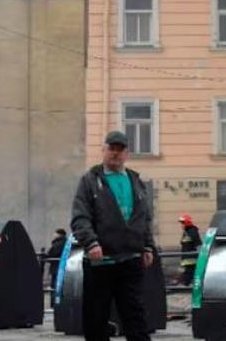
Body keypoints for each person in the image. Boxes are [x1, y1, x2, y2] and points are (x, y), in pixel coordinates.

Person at [71, 131, 157, 341]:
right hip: (100, 261)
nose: (116, 154)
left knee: (135, 316)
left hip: (130, 259)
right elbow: (80, 217)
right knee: (96, 319)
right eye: (112, 149)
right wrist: (91, 243)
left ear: (127, 153)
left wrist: (147, 246)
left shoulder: (136, 181)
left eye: (121, 150)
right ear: (104, 150)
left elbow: (144, 217)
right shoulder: (90, 180)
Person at [178, 214, 201, 286]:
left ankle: (185, 285)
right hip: (187, 258)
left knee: (189, 273)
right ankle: (186, 284)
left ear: (187, 223)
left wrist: (200, 255)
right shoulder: (187, 232)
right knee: (190, 272)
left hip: (191, 259)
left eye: (183, 223)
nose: (181, 225)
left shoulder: (192, 231)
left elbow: (198, 244)